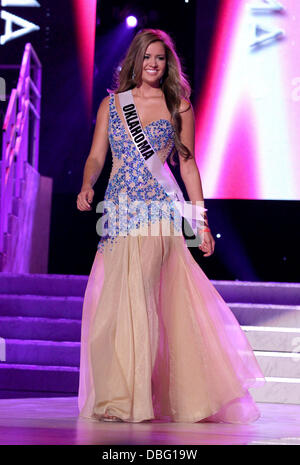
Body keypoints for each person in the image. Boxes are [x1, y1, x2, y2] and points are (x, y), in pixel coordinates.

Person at [76, 28, 265, 423]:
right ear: (135, 60)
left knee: (140, 300)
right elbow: (96, 155)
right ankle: (115, 394)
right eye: (147, 56)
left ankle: (129, 401)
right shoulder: (113, 104)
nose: (153, 64)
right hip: (118, 213)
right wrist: (86, 184)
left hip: (158, 214)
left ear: (167, 64)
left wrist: (201, 223)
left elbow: (189, 165)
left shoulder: (177, 105)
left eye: (160, 58)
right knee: (110, 305)